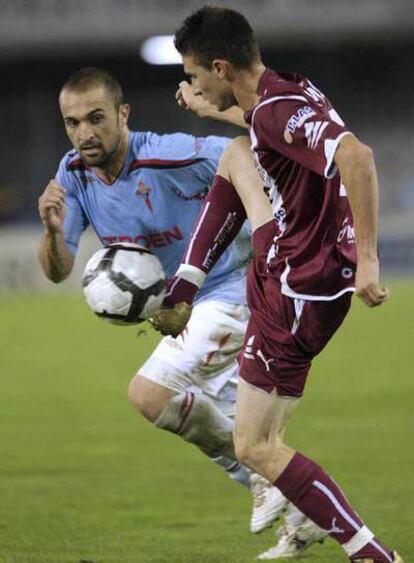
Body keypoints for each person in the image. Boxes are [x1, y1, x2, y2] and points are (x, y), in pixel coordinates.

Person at [151, 6, 403, 562]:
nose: (189, 86)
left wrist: (368, 259)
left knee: (255, 446)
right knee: (237, 155)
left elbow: (357, 156)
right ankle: (186, 288)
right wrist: (210, 111)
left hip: (297, 290)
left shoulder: (273, 110)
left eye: (194, 76)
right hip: (299, 268)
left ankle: (371, 555)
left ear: (220, 67)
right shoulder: (285, 90)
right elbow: (270, 129)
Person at [37, 66, 313, 545]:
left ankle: (265, 481)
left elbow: (246, 150)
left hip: (236, 289)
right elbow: (58, 270)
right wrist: (52, 231)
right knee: (245, 435)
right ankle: (306, 516)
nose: (84, 133)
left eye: (96, 118)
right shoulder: (74, 174)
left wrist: (266, 211)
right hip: (181, 312)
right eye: (72, 122)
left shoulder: (172, 154)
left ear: (123, 115)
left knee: (149, 394)